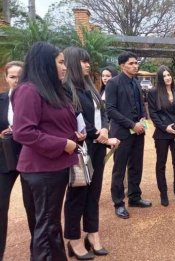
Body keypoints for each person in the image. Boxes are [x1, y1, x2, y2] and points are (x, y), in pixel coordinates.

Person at [12, 42, 86, 261]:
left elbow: (51, 125)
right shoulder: (28, 90)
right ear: (46, 63)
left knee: (49, 225)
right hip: (42, 169)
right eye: (61, 62)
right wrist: (63, 144)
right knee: (46, 227)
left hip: (53, 168)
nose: (65, 67)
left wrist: (73, 136)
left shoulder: (49, 90)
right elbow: (23, 132)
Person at [62, 47, 115, 259]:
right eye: (83, 61)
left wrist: (105, 129)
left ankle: (93, 234)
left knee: (94, 193)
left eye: (88, 61)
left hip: (98, 146)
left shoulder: (90, 86)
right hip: (81, 147)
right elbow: (76, 118)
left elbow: (102, 112)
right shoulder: (66, 89)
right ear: (73, 62)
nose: (87, 65)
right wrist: (99, 135)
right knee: (77, 194)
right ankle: (73, 239)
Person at [105, 52, 151, 219]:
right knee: (119, 169)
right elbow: (110, 109)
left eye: (136, 63)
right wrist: (132, 124)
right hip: (122, 133)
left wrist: (143, 118)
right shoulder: (113, 83)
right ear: (122, 65)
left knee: (136, 165)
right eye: (131, 63)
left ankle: (134, 197)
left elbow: (141, 105)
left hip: (139, 132)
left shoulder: (136, 83)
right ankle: (118, 203)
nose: (135, 65)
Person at [0, 61, 35, 260]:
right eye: (12, 77)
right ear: (6, 78)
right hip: (4, 158)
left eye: (20, 76)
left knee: (33, 207)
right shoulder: (1, 100)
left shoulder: (34, 99)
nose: (16, 81)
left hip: (30, 157)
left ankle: (36, 252)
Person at [147, 66, 175, 206]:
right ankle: (163, 193)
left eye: (169, 74)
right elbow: (153, 113)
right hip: (162, 135)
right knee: (161, 164)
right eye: (164, 76)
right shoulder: (153, 93)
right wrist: (164, 127)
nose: (168, 77)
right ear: (160, 78)